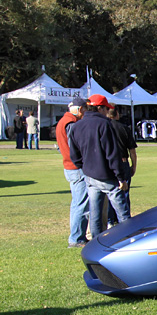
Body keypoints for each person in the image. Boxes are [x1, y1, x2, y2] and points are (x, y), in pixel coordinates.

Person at [68, 94, 130, 240]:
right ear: (99, 108)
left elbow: (74, 155)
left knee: (95, 214)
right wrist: (120, 177)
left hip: (90, 176)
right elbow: (112, 153)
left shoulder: (77, 126)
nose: (107, 112)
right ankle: (130, 240)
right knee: (123, 214)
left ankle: (96, 243)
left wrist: (84, 167)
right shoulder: (105, 124)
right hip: (108, 176)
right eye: (105, 108)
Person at [57, 96, 89, 247]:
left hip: (70, 166)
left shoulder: (64, 121)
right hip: (75, 167)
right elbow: (74, 146)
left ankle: (77, 236)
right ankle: (76, 238)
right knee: (81, 203)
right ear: (80, 109)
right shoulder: (71, 123)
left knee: (78, 202)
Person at [106, 105, 138, 220]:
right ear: (117, 114)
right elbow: (132, 151)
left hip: (108, 163)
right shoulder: (124, 128)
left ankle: (110, 220)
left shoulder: (104, 127)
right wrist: (134, 165)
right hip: (122, 162)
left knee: (110, 192)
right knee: (124, 194)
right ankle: (125, 220)